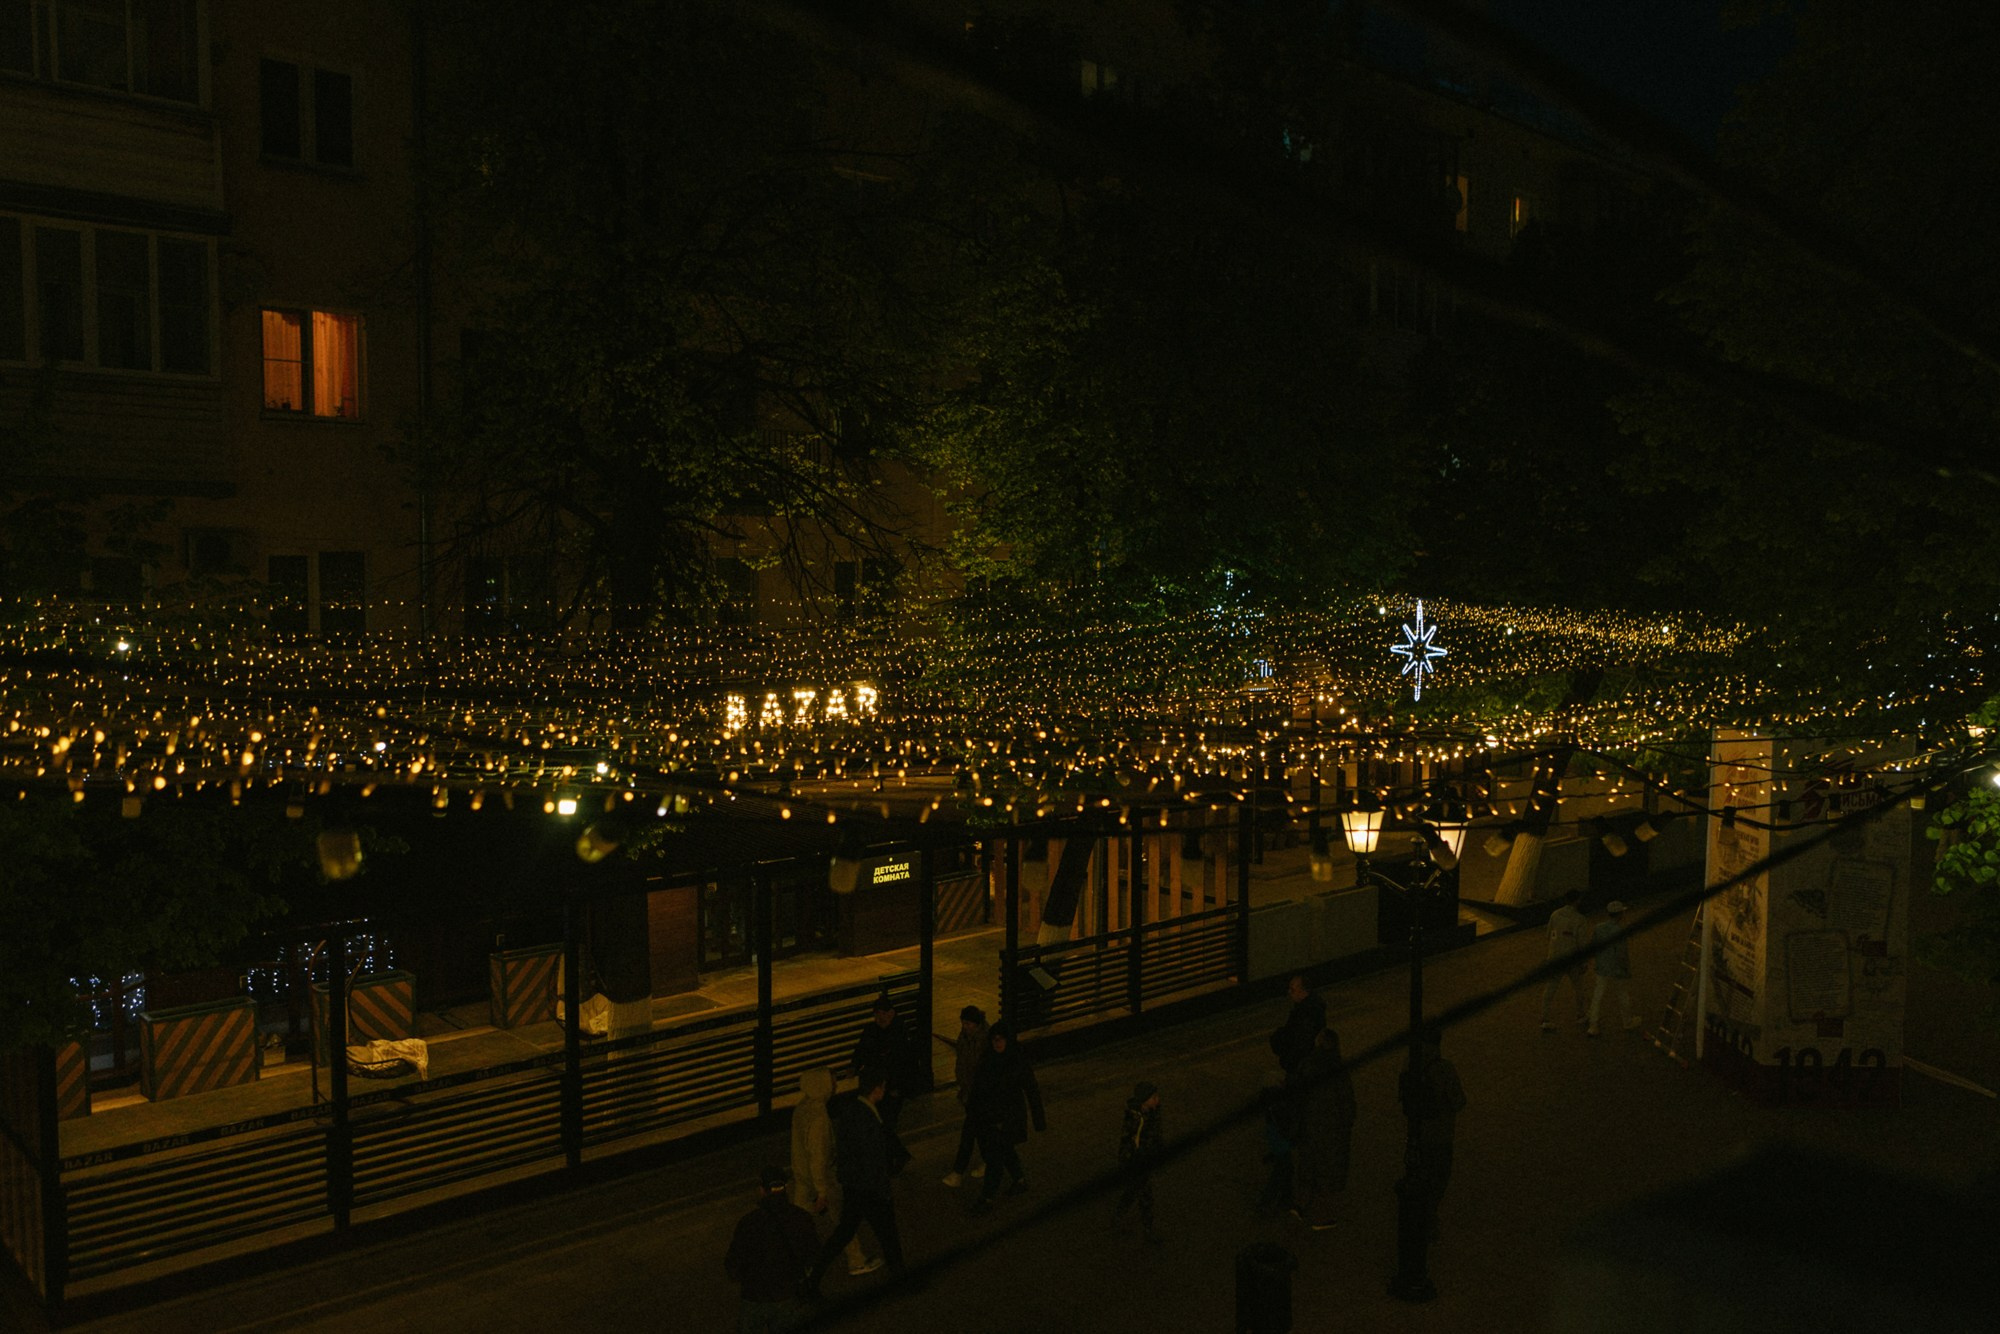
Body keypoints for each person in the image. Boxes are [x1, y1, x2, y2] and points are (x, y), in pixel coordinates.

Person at [800, 1067, 905, 1299]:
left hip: (854, 1187)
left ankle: (814, 1278)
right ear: (878, 1090)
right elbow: (874, 1159)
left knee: (843, 1234)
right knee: (888, 1236)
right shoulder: (869, 1118)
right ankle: (900, 1279)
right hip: (871, 1190)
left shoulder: (850, 1111)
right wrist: (883, 1189)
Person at [789, 1068, 880, 1278]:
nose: (835, 1087)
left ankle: (799, 1267)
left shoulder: (801, 1108)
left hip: (802, 1176)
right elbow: (819, 1157)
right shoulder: (819, 1118)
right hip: (823, 1179)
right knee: (843, 1220)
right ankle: (856, 1260)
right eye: (832, 1083)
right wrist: (822, 1191)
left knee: (797, 1226)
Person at [724, 1165, 821, 1333]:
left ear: (762, 1190)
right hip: (788, 1294)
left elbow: (733, 1263)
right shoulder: (801, 1218)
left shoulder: (749, 1223)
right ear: (785, 1188)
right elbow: (813, 1255)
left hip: (755, 1296)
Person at [965, 1021, 1046, 1214]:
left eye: (1001, 1039)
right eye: (994, 1040)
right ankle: (1019, 1179)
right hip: (991, 1117)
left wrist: (1038, 1119)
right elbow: (978, 1088)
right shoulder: (988, 1060)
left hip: (1009, 1117)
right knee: (1005, 1149)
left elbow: (1031, 1089)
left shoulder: (1016, 1060)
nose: (997, 1043)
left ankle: (987, 1197)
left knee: (995, 1159)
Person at [1399, 1029, 1467, 1244]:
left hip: (1416, 1133)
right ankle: (1428, 1218)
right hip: (1439, 1134)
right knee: (1438, 1177)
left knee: (1418, 1175)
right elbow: (1459, 1101)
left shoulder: (1409, 1064)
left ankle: (1416, 1218)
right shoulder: (1444, 1069)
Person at [1290, 1027, 1357, 1231]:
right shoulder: (1338, 1069)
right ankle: (1322, 1218)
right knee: (1327, 1174)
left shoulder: (1307, 1064)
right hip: (1331, 1129)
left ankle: (1299, 1205)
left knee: (1307, 1166)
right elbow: (1347, 1104)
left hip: (1308, 1125)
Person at [851, 995, 924, 1132]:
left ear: (891, 1014)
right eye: (877, 1014)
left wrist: (898, 1087)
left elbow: (906, 1063)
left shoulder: (900, 1034)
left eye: (883, 1014)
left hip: (891, 1087)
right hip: (876, 1084)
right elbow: (861, 1050)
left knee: (887, 1120)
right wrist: (853, 1066)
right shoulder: (871, 1030)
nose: (880, 1018)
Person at [939, 1004, 989, 1188]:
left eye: (968, 1024)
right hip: (969, 1092)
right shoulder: (966, 1037)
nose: (965, 1027)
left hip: (979, 1094)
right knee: (981, 1131)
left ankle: (958, 1171)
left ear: (977, 1024)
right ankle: (991, 1161)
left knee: (969, 1133)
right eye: (963, 1023)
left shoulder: (984, 1040)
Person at [1110, 1080, 1164, 1242]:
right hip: (1136, 1163)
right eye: (1153, 1097)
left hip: (1142, 1161)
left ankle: (1117, 1217)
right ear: (1144, 1100)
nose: (1157, 1099)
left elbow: (1155, 1136)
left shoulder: (1152, 1113)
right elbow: (1128, 1144)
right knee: (1145, 1196)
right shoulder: (1135, 1119)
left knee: (1132, 1192)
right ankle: (1148, 1230)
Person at [1588, 900, 1640, 1037]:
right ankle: (1627, 1021)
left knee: (1597, 995)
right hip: (1616, 968)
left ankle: (1593, 1025)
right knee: (1622, 994)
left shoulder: (1599, 928)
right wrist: (1626, 969)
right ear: (1620, 914)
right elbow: (1622, 954)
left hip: (1602, 966)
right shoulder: (1619, 931)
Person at [1540, 892, 1591, 1032]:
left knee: (1550, 989)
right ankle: (1581, 1015)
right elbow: (1582, 943)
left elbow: (1548, 935)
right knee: (1579, 988)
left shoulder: (1555, 915)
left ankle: (1545, 1018)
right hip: (1572, 959)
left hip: (1555, 958)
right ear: (1577, 901)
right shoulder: (1579, 919)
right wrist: (1584, 962)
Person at [1272, 973, 1327, 1075]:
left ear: (1303, 992)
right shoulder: (1308, 1008)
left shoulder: (1306, 1014)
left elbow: (1302, 1041)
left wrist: (1289, 1060)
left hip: (1302, 1064)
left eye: (1292, 990)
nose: (1289, 992)